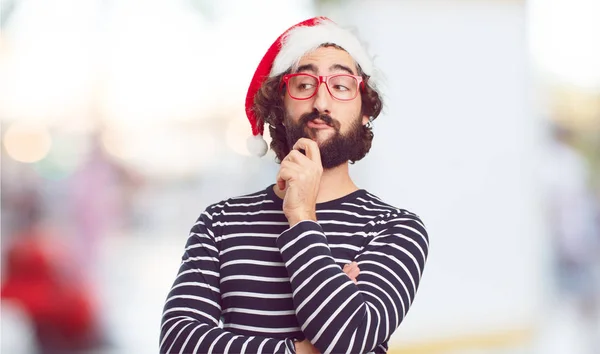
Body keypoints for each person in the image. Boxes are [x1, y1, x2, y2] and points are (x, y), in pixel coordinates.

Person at [160, 17, 429, 354]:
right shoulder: (219, 223)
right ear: (279, 107)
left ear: (364, 111)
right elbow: (178, 342)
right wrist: (300, 351)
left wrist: (302, 216)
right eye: (304, 84)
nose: (321, 102)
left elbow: (351, 336)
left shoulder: (395, 229)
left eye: (341, 86)